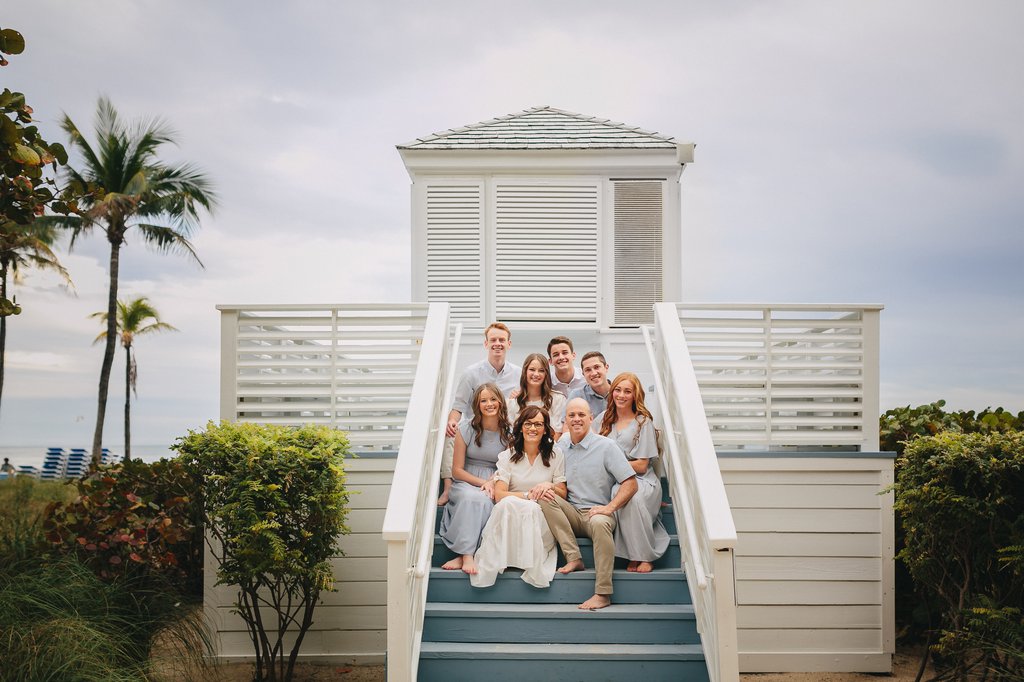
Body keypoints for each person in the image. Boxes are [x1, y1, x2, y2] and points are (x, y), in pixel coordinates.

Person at [541, 398, 637, 610]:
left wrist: (609, 508)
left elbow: (630, 483)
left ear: (591, 418)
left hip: (597, 513)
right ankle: (574, 558)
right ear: (565, 420)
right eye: (572, 415)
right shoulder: (561, 445)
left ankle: (603, 593)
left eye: (581, 415)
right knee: (544, 496)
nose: (576, 419)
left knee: (600, 522)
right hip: (571, 513)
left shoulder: (606, 446)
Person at [472, 406, 567, 588]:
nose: (533, 428)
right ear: (521, 427)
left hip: (542, 516)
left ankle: (528, 561)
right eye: (528, 423)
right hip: (513, 513)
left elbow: (562, 492)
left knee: (531, 507)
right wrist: (527, 495)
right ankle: (506, 557)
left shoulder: (556, 454)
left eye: (538, 424)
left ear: (545, 428)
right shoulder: (508, 456)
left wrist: (549, 486)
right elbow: (499, 495)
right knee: (507, 503)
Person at [437, 323, 520, 505]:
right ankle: (448, 486)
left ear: (509, 344)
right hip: (475, 428)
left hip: (504, 430)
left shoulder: (518, 374)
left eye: (501, 340)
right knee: (452, 431)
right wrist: (452, 421)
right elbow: (458, 406)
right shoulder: (471, 373)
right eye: (493, 340)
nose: (497, 343)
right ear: (486, 344)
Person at [597, 372, 670, 573]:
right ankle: (634, 554)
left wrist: (614, 465)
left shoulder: (642, 422)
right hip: (616, 481)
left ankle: (644, 556)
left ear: (634, 395)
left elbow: (642, 465)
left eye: (627, 391)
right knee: (617, 494)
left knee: (634, 499)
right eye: (618, 390)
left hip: (643, 480)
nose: (621, 395)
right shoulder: (602, 420)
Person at [439, 383, 512, 575]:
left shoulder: (509, 432)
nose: (489, 404)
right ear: (477, 405)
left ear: (500, 402)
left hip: (495, 477)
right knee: (472, 498)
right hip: (466, 480)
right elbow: (456, 470)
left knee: (486, 501)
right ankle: (468, 556)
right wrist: (483, 483)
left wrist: (492, 481)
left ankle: (463, 555)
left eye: (493, 399)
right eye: (483, 400)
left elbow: (506, 465)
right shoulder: (466, 429)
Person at [506, 353, 567, 439]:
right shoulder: (513, 403)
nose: (536, 374)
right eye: (532, 369)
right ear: (525, 372)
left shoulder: (558, 399)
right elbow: (511, 436)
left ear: (546, 374)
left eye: (541, 370)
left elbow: (557, 434)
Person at [568, 351, 612, 417]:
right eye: (588, 370)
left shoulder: (619, 393)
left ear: (606, 368)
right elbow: (566, 423)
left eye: (597, 367)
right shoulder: (577, 395)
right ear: (583, 374)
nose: (593, 373)